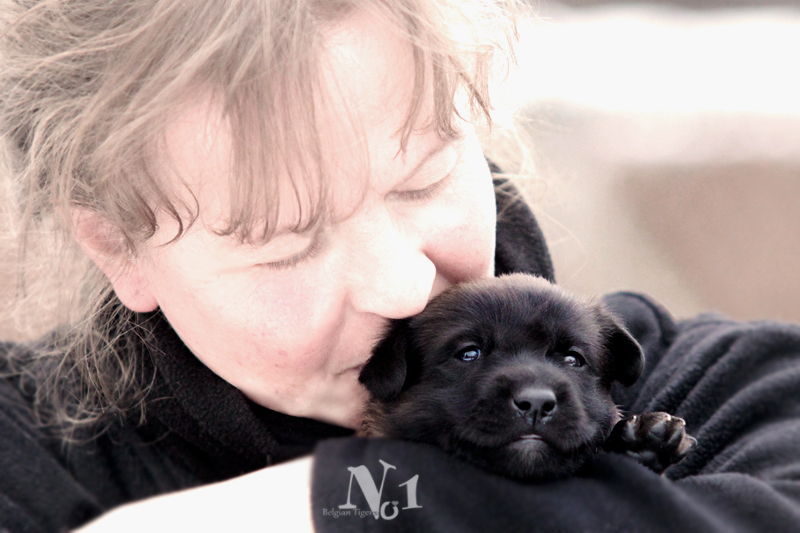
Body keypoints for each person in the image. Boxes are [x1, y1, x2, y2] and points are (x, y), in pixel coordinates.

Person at [0, 0, 798, 532]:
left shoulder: (706, 392)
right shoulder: (25, 462)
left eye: (422, 178)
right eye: (287, 241)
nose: (406, 285)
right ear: (114, 244)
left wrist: (321, 502)